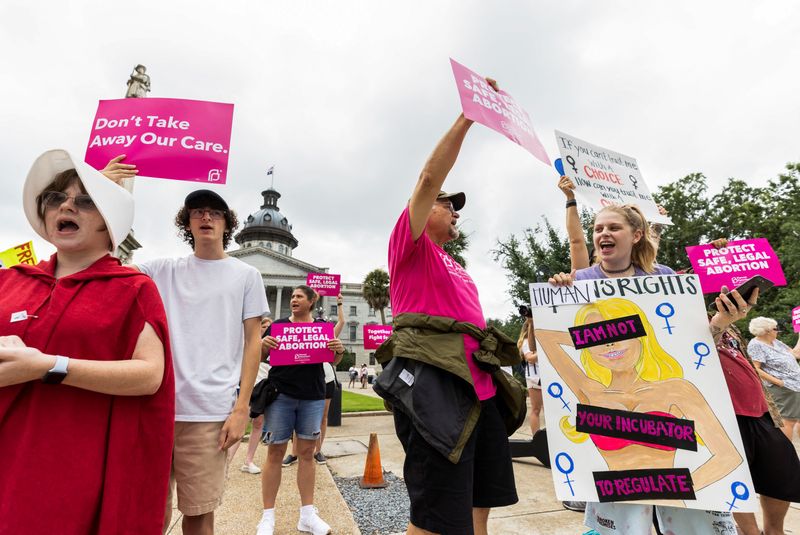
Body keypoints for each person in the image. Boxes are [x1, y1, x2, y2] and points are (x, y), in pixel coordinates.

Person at [547, 203, 755, 535]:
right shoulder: (580, 282)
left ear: (637, 234)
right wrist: (558, 304)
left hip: (671, 429)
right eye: (598, 228)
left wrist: (723, 320)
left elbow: (691, 343)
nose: (603, 234)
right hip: (615, 471)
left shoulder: (665, 278)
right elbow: (548, 336)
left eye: (613, 227)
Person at [0, 150, 174, 534]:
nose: (66, 206)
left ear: (107, 222)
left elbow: (150, 375)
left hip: (72, 461)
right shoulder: (10, 280)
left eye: (85, 201)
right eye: (55, 199)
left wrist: (49, 366)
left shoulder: (133, 288)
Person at [102, 156, 269, 535]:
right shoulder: (162, 270)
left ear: (227, 224)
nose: (205, 217)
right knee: (148, 514)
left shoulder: (247, 274)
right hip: (156, 407)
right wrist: (104, 190)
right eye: (197, 212)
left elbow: (252, 343)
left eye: (214, 212)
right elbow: (104, 262)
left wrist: (241, 408)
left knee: (199, 515)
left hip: (210, 414)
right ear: (187, 222)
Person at [378, 101, 522, 535]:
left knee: (481, 498)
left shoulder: (453, 264)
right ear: (422, 209)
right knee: (436, 514)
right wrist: (469, 117)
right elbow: (428, 178)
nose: (455, 210)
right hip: (433, 387)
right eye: (446, 204)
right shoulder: (411, 245)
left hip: (479, 389)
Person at [257, 285, 345, 535]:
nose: (293, 300)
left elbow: (332, 360)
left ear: (311, 301)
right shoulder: (278, 327)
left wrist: (338, 351)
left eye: (298, 296)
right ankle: (267, 518)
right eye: (292, 296)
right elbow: (262, 356)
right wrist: (263, 344)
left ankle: (307, 515)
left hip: (312, 396)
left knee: (307, 453)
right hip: (281, 395)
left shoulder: (321, 328)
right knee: (275, 453)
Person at [717, 317, 800, 535]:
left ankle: (774, 531)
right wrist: (720, 320)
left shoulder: (730, 325)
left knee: (782, 471)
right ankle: (750, 532)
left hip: (760, 410)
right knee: (734, 477)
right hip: (725, 414)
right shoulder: (692, 317)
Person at [283, 294, 346, 467]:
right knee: (298, 416)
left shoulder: (327, 332)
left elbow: (341, 323)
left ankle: (318, 450)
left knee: (323, 417)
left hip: (326, 377)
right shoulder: (299, 330)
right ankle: (294, 452)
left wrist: (339, 303)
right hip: (308, 377)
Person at [229, 316, 274, 474]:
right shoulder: (248, 343)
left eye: (268, 327)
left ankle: (248, 461)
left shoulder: (273, 346)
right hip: (248, 388)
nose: (265, 329)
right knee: (241, 423)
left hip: (263, 388)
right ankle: (227, 462)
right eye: (263, 326)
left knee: (259, 423)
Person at [747, 316, 800, 441]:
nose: (778, 331)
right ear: (766, 331)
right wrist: (779, 382)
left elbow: (796, 354)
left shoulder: (775, 342)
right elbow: (755, 368)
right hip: (784, 389)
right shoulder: (756, 345)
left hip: (795, 385)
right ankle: (786, 454)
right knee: (788, 420)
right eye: (775, 328)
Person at [518, 318, 543, 435]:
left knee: (548, 409)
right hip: (534, 377)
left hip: (545, 375)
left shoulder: (541, 338)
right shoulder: (526, 341)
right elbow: (530, 358)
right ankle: (536, 437)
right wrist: (544, 351)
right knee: (536, 409)